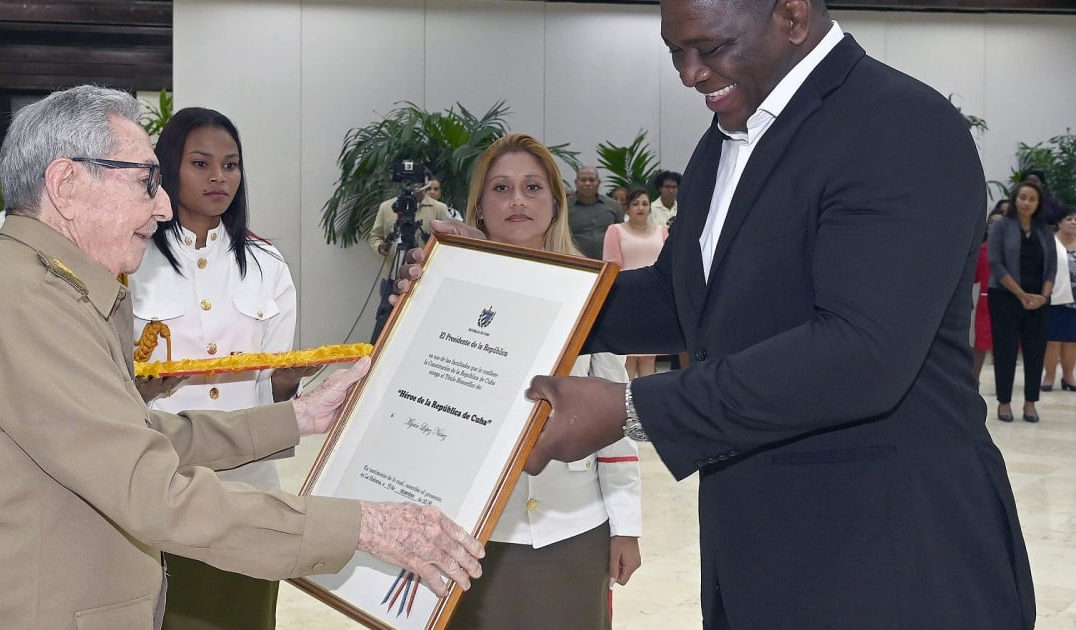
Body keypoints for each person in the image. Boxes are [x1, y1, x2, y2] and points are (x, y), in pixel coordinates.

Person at [405, 1, 1035, 626]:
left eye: (709, 49)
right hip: (757, 555)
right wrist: (498, 281)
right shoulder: (724, 143)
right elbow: (682, 299)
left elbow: (862, 352)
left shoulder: (898, 125)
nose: (690, 74)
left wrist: (630, 409)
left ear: (790, 16)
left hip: (890, 559)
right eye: (675, 53)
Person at [0, 85, 483, 629]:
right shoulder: (27, 303)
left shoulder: (52, 287)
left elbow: (135, 433)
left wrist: (299, 417)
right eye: (146, 182)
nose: (162, 207)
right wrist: (365, 525)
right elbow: (148, 485)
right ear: (66, 184)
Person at [129, 106, 313, 629]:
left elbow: (275, 389)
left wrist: (294, 379)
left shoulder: (265, 263)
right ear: (167, 169)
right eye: (201, 163)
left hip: (249, 480)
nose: (218, 177)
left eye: (230, 165)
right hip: (163, 475)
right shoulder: (133, 261)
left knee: (245, 615)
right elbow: (109, 380)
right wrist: (139, 388)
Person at [448, 134, 642, 630]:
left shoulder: (592, 292)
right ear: (479, 207)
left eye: (532, 187)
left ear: (556, 203)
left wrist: (625, 528)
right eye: (501, 188)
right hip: (472, 534)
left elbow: (615, 420)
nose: (517, 200)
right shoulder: (446, 294)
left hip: (574, 527)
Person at [988, 180, 1055, 422]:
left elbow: (1051, 269)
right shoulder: (1002, 226)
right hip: (1005, 297)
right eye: (1023, 197)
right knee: (1005, 351)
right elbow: (995, 263)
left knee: (1035, 352)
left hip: (1038, 301)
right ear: (1015, 199)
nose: (1026, 202)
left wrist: (1043, 296)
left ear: (1039, 204)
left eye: (1032, 199)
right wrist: (1021, 294)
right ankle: (1004, 402)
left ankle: (1030, 403)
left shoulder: (1045, 231)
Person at [368, 176, 452, 342]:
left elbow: (450, 240)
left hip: (425, 278)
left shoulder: (438, 208)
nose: (414, 188)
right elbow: (375, 236)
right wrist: (380, 247)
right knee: (385, 325)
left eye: (418, 184)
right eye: (410, 183)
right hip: (391, 278)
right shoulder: (387, 207)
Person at [603, 188, 668, 380]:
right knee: (628, 357)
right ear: (627, 207)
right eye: (635, 203)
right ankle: (626, 403)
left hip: (655, 298)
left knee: (649, 356)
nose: (641, 208)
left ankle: (647, 404)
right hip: (626, 299)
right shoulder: (615, 230)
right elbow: (611, 265)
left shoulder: (661, 231)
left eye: (645, 203)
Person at [1041, 207, 1076, 391]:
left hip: (1075, 302)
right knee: (1053, 341)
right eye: (1069, 219)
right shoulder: (1051, 242)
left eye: (1075, 219)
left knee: (1072, 341)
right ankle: (1049, 376)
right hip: (1055, 298)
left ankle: (1069, 377)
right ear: (1060, 222)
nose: (1073, 222)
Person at [973, 212, 1004, 382]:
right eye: (991, 223)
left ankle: (1003, 381)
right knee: (980, 344)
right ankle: (974, 379)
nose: (994, 226)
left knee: (1004, 345)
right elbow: (975, 277)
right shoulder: (982, 249)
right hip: (986, 301)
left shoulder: (1010, 248)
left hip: (1007, 301)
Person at [567, 166, 623, 259]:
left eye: (592, 180)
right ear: (576, 182)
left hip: (608, 263)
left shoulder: (613, 205)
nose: (588, 183)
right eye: (583, 180)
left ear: (599, 183)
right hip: (575, 263)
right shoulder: (564, 207)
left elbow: (622, 234)